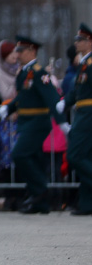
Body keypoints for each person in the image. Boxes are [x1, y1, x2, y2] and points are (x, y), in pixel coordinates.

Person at [0, 35, 65, 214]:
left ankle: (41, 190)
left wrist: (61, 121)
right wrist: (10, 107)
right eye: (16, 51)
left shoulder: (38, 72)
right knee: (34, 159)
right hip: (27, 122)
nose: (17, 55)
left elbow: (52, 98)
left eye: (21, 51)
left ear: (32, 51)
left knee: (20, 154)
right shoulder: (25, 72)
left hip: (37, 123)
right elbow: (23, 96)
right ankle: (39, 202)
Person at [60, 23, 92, 215]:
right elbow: (79, 89)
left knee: (75, 155)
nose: (76, 42)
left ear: (89, 42)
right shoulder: (85, 63)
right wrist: (65, 101)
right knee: (86, 156)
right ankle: (87, 203)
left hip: (88, 114)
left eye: (79, 39)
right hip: (83, 112)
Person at [0, 40, 18, 105]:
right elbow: (6, 95)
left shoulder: (22, 68)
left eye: (15, 52)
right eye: (10, 53)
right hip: (10, 108)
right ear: (3, 56)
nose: (14, 56)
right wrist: (19, 79)